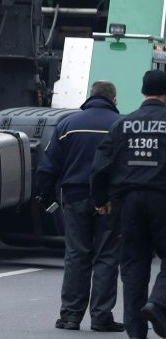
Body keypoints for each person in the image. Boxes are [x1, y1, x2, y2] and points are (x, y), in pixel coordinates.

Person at [37, 81, 124, 332]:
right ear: (114, 99)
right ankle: (101, 317)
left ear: (90, 96)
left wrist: (45, 194)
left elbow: (48, 164)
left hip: (74, 198)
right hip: (109, 200)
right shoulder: (120, 126)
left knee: (77, 255)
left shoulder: (68, 125)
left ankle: (70, 317)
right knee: (107, 256)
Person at [92, 69, 166, 339]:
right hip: (162, 198)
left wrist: (100, 201)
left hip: (128, 203)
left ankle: (136, 332)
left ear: (143, 91)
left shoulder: (123, 124)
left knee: (133, 267)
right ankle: (158, 304)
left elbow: (100, 167)